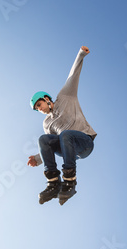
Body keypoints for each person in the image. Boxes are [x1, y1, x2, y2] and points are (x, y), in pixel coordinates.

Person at [27, 46, 97, 205]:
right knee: (44, 139)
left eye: (40, 105)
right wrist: (37, 160)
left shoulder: (66, 96)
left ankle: (70, 180)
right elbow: (50, 146)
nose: (40, 109)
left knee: (65, 134)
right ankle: (53, 182)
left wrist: (81, 55)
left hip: (84, 143)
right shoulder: (47, 123)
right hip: (69, 150)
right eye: (37, 109)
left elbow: (72, 76)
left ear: (46, 99)